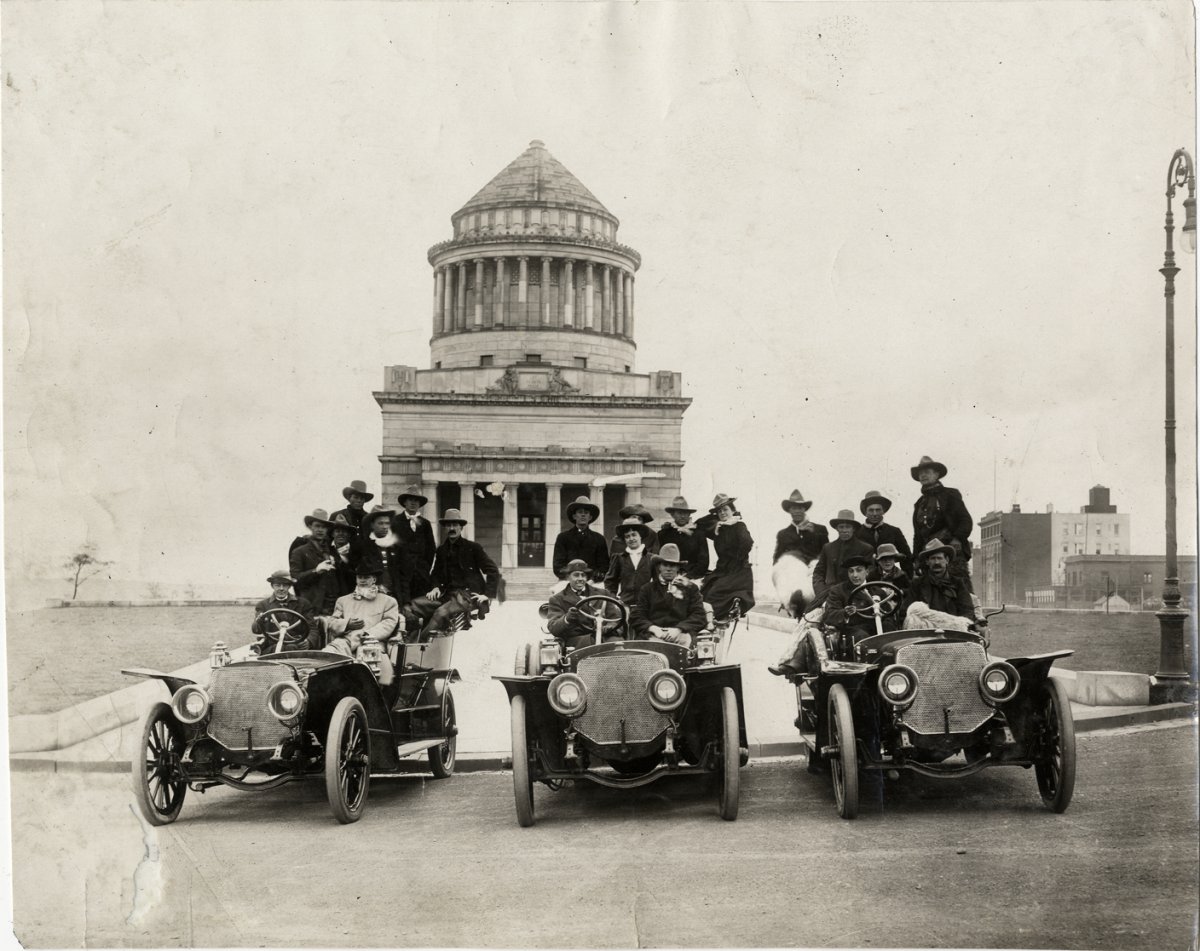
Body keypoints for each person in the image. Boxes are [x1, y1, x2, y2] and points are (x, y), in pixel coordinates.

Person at [409, 508, 500, 637]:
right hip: (446, 595)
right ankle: (407, 641)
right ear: (445, 528)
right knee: (414, 606)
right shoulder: (441, 550)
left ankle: (420, 645)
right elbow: (436, 573)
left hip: (467, 596)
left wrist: (487, 594)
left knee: (440, 613)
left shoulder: (473, 548)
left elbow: (492, 570)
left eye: (455, 525)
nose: (451, 528)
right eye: (448, 525)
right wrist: (435, 587)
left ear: (461, 527)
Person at [322, 569, 401, 685]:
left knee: (366, 672)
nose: (362, 580)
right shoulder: (343, 601)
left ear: (374, 579)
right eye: (360, 577)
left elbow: (389, 623)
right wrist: (346, 624)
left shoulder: (388, 601)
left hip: (373, 643)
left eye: (367, 577)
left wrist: (368, 634)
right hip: (345, 642)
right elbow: (333, 622)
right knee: (326, 658)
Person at [910, 456, 973, 584]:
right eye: (920, 473)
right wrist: (916, 558)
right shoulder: (919, 503)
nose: (923, 475)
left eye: (927, 472)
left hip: (949, 552)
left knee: (958, 590)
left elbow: (965, 520)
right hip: (928, 554)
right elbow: (918, 534)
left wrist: (957, 539)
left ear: (936, 474)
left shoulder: (950, 495)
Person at [630, 543, 707, 646]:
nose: (669, 569)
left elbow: (699, 615)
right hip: (653, 636)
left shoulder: (690, 588)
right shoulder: (647, 589)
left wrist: (679, 629)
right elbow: (637, 616)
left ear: (678, 568)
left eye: (673, 565)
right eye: (665, 565)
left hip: (681, 635)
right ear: (659, 567)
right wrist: (653, 628)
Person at [695, 493, 756, 619]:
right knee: (702, 593)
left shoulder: (739, 525)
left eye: (725, 509)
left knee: (713, 595)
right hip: (723, 570)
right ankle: (710, 621)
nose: (722, 513)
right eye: (719, 511)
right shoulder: (719, 529)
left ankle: (716, 618)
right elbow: (699, 524)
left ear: (733, 510)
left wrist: (736, 559)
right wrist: (715, 520)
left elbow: (747, 543)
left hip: (738, 571)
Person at [902, 540, 981, 631]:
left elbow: (967, 610)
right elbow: (907, 611)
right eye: (933, 558)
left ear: (946, 560)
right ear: (927, 562)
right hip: (925, 633)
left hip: (953, 632)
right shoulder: (918, 584)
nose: (936, 562)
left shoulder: (958, 583)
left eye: (939, 558)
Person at [545, 558, 623, 650]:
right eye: (576, 575)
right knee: (588, 648)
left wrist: (611, 625)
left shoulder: (603, 593)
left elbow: (615, 618)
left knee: (619, 647)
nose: (580, 579)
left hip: (605, 637)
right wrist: (567, 618)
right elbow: (554, 628)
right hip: (577, 641)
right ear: (568, 577)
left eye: (583, 575)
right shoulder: (557, 599)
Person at [358, 504, 413, 607]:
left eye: (387, 523)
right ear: (372, 525)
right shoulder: (364, 546)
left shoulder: (397, 547)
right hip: (370, 599)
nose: (385, 527)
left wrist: (406, 602)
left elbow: (404, 577)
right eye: (380, 523)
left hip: (395, 597)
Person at [251, 570, 318, 653]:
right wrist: (259, 621)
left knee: (292, 649)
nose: (281, 589)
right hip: (272, 646)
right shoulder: (262, 605)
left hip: (296, 645)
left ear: (289, 586)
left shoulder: (303, 604)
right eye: (278, 585)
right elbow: (256, 630)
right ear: (272, 586)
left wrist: (309, 641)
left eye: (285, 585)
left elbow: (312, 628)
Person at [812, 510, 876, 598]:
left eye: (848, 527)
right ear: (837, 528)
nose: (844, 530)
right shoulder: (828, 548)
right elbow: (818, 573)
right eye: (841, 527)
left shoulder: (865, 548)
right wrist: (821, 592)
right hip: (829, 595)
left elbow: (869, 574)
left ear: (853, 528)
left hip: (855, 595)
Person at [289, 509, 341, 615]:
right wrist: (316, 571)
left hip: (333, 607)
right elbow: (295, 579)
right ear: (310, 526)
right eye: (317, 526)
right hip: (311, 606)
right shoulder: (299, 551)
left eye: (324, 527)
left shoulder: (332, 551)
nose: (320, 530)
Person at [552, 495, 610, 582]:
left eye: (586, 512)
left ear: (590, 517)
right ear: (574, 516)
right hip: (568, 581)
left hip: (591, 582)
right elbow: (558, 565)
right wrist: (570, 578)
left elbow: (604, 566)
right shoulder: (563, 537)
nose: (583, 515)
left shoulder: (599, 539)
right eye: (580, 512)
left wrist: (593, 579)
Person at [854, 490, 913, 574]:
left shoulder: (894, 531)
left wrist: (907, 580)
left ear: (883, 511)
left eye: (878, 510)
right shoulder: (857, 533)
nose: (874, 514)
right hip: (865, 578)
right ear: (865, 512)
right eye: (871, 510)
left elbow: (906, 557)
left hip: (889, 577)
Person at [392, 485, 437, 593]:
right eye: (410, 500)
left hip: (421, 574)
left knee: (420, 603)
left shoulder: (425, 523)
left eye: (416, 500)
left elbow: (431, 548)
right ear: (405, 503)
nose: (413, 503)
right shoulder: (395, 521)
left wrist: (425, 567)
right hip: (402, 574)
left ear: (420, 504)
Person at [656, 496, 710, 582]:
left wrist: (688, 577)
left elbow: (703, 562)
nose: (682, 516)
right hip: (668, 576)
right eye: (679, 513)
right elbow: (658, 558)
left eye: (685, 513)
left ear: (689, 515)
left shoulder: (698, 534)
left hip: (692, 577)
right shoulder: (664, 534)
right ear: (673, 514)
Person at [605, 518, 655, 606]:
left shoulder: (651, 558)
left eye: (634, 535)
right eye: (627, 536)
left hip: (645, 605)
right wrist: (613, 600)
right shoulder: (619, 558)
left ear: (640, 536)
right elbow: (610, 582)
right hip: (624, 605)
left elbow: (658, 581)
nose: (631, 539)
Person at [773, 490, 829, 564]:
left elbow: (827, 555)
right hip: (792, 572)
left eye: (800, 508)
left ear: (804, 509)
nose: (797, 511)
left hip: (814, 572)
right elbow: (777, 560)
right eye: (794, 508)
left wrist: (813, 534)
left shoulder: (820, 529)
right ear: (789, 510)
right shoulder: (783, 534)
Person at [327, 513, 361, 597]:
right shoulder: (327, 551)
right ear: (332, 534)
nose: (341, 534)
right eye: (337, 531)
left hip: (353, 594)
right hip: (333, 596)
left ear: (349, 534)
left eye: (344, 531)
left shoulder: (357, 551)